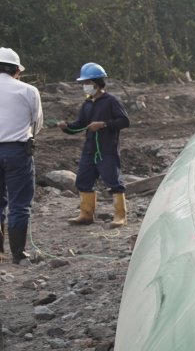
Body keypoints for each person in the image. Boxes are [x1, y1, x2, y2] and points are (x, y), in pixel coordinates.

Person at [60, 62, 129, 229]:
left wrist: (103, 124)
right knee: (83, 180)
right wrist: (66, 127)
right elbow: (80, 124)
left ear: (97, 83)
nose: (85, 86)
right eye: (84, 83)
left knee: (113, 181)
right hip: (90, 149)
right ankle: (86, 215)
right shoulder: (87, 103)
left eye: (87, 82)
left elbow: (124, 121)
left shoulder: (111, 101)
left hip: (107, 149)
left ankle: (120, 216)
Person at [0, 47, 43, 263]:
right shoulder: (28, 90)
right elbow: (37, 123)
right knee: (19, 204)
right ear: (17, 70)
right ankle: (18, 254)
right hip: (17, 152)